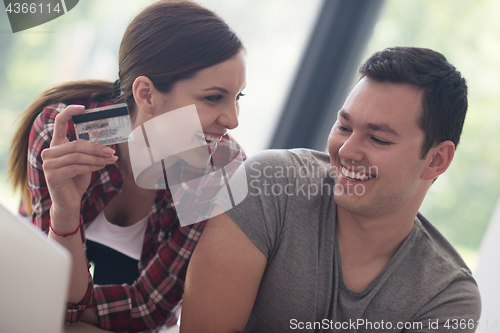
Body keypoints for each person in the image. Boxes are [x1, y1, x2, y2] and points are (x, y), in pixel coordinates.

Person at [181, 47, 481, 332]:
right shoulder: (268, 181)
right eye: (344, 127)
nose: (348, 151)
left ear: (436, 160)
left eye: (379, 139)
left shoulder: (447, 296)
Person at [8, 0, 246, 331]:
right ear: (146, 94)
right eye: (213, 98)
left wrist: (70, 304)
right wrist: (64, 211)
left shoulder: (219, 171)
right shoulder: (66, 133)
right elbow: (40, 285)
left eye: (238, 98)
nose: (233, 120)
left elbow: (148, 311)